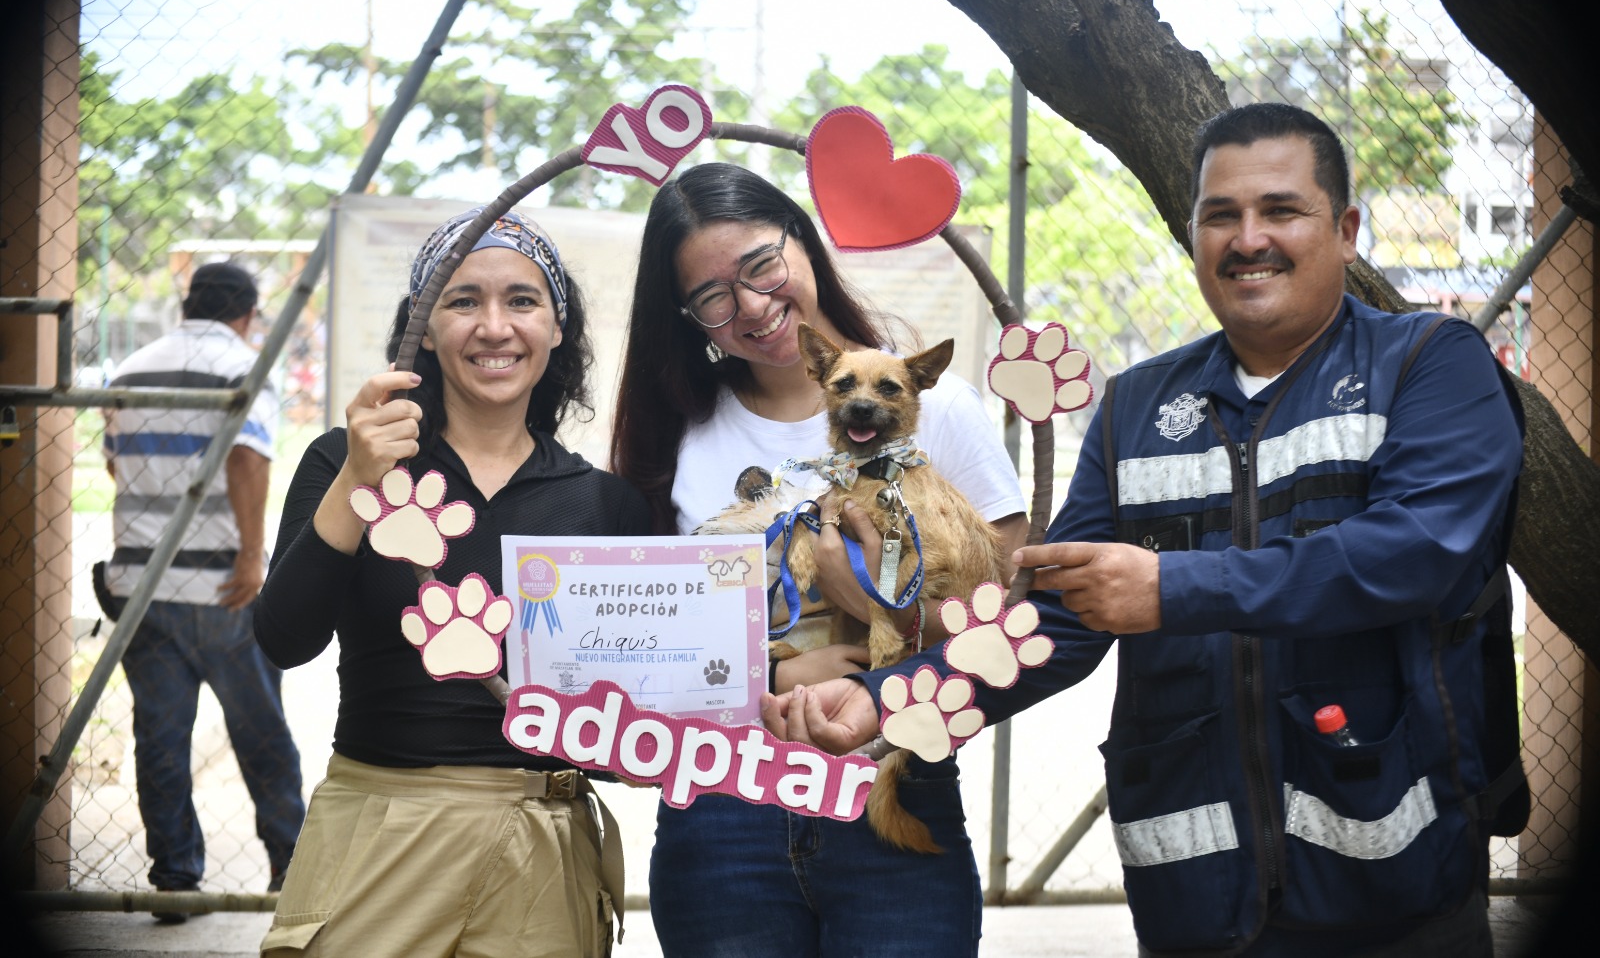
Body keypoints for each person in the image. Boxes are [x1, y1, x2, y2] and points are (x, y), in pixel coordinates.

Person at [766, 104, 1527, 956]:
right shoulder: (1138, 403)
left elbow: (1417, 555)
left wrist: (1171, 588)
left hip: (1393, 885)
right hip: (1195, 899)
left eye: (1281, 210)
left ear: (1345, 230)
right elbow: (1053, 623)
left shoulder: (1431, 363)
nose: (1247, 238)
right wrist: (880, 702)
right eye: (1219, 216)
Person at [609, 162, 1026, 957]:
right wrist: (771, 678)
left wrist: (873, 604)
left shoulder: (937, 408)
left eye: (761, 265)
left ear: (802, 240)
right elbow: (652, 641)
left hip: (894, 772)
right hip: (722, 800)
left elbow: (1011, 623)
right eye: (712, 296)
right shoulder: (678, 438)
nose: (752, 306)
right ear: (689, 316)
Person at [254, 210, 649, 957]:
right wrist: (359, 483)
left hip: (545, 836)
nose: (494, 327)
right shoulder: (344, 461)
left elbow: (635, 709)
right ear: (424, 330)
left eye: (522, 301)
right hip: (381, 821)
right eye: (463, 300)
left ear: (557, 327)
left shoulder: (606, 504)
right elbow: (283, 638)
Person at [102, 261, 305, 919]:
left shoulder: (130, 369)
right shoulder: (245, 367)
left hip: (142, 584)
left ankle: (175, 879)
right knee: (263, 735)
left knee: (160, 735)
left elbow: (114, 460)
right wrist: (252, 556)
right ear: (247, 315)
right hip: (225, 587)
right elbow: (247, 458)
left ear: (189, 304)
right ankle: (290, 869)